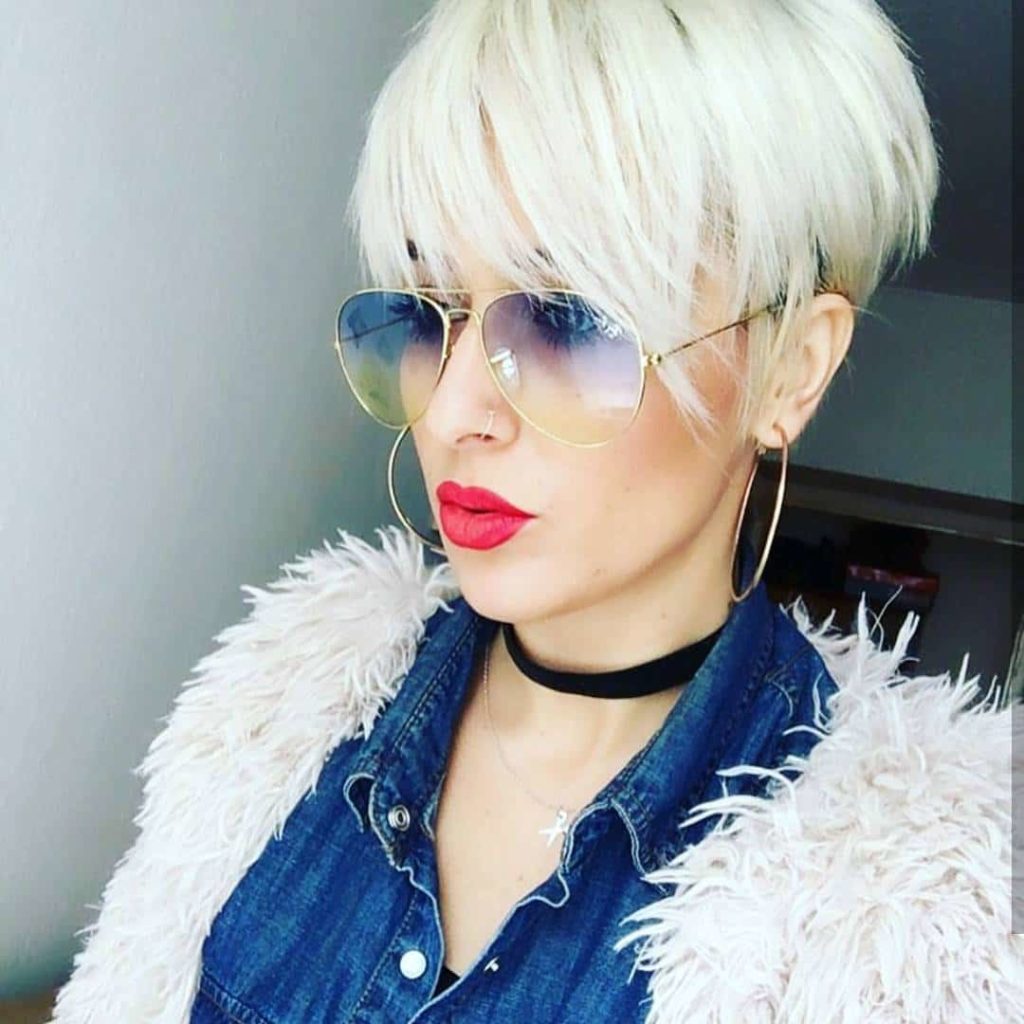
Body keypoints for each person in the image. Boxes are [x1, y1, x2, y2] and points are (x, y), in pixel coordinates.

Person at [50, 1, 1024, 1021]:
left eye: (564, 321)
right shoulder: (280, 712)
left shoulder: (911, 927)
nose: (451, 412)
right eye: (430, 308)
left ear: (791, 369)